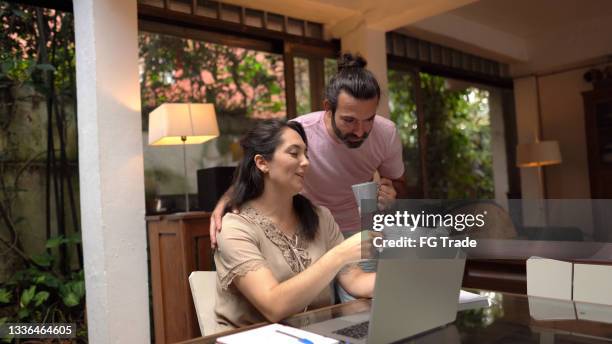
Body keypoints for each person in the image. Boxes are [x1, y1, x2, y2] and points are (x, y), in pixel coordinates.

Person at [210, 53, 407, 246]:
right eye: (349, 121)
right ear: (328, 108)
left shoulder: (386, 133)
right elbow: (255, 168)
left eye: (369, 120)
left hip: (356, 229)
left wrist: (392, 193)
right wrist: (225, 201)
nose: (360, 131)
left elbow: (398, 181)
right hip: (307, 227)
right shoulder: (298, 132)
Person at [214, 120, 375, 331]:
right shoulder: (235, 228)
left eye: (306, 154)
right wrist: (340, 254)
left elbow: (355, 280)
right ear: (262, 163)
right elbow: (274, 306)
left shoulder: (321, 217)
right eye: (294, 153)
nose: (306, 162)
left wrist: (405, 277)